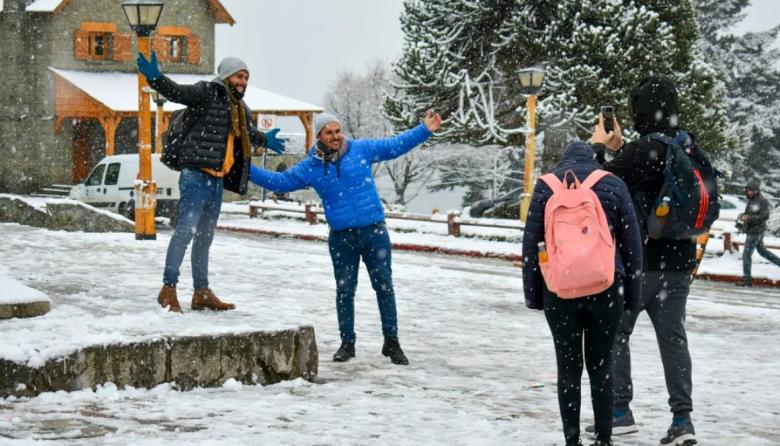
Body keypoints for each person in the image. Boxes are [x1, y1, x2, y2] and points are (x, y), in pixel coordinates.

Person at [248, 111, 441, 365]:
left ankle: (391, 342)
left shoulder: (361, 150)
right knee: (345, 290)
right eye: (329, 132)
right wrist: (243, 166)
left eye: (338, 131)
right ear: (319, 136)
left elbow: (395, 146)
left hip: (374, 231)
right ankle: (347, 343)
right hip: (342, 237)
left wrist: (424, 130)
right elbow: (281, 181)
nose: (336, 136)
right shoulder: (311, 168)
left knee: (384, 286)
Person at [588, 76, 699, 446]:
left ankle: (619, 411)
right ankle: (683, 419)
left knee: (617, 334)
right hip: (680, 263)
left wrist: (601, 147)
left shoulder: (642, 151)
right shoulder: (688, 146)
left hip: (640, 262)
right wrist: (623, 149)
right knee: (673, 340)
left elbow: (596, 183)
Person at [136, 52, 285, 313]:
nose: (244, 81)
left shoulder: (239, 109)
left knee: (204, 238)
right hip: (196, 175)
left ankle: (201, 292)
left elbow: (247, 133)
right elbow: (178, 93)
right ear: (227, 76)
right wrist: (156, 77)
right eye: (240, 76)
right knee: (185, 232)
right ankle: (168, 289)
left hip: (217, 180)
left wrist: (265, 139)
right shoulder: (207, 92)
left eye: (247, 77)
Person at [523, 141, 643, 446]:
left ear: (563, 161)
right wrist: (631, 295)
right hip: (605, 288)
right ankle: (604, 439)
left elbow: (531, 245)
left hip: (560, 292)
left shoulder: (546, 186)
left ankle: (572, 440)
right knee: (601, 366)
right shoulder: (613, 184)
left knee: (568, 370)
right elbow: (632, 245)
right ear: (597, 160)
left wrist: (534, 295)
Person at [737, 179, 780, 286]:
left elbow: (765, 216)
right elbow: (749, 213)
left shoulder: (762, 201)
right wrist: (743, 216)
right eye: (747, 190)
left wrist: (749, 218)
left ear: (756, 191)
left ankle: (747, 279)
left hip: (756, 231)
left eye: (750, 190)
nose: (748, 192)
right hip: (753, 230)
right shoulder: (751, 200)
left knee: (746, 255)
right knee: (763, 252)